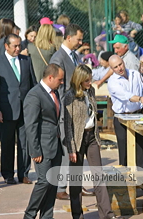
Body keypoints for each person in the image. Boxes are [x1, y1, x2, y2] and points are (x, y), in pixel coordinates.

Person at [64, 64, 126, 219]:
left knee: (98, 176)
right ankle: (77, 215)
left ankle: (106, 214)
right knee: (76, 178)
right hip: (77, 140)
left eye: (90, 80)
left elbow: (93, 117)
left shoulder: (90, 91)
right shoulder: (69, 96)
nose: (89, 83)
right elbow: (67, 126)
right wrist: (71, 148)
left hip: (91, 136)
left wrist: (97, 139)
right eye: (86, 81)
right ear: (78, 80)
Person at [50, 23, 95, 200]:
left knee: (77, 148)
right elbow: (56, 86)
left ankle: (77, 185)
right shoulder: (58, 58)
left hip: (78, 110)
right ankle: (60, 188)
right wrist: (60, 110)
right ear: (68, 38)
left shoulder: (74, 56)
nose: (80, 42)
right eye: (78, 39)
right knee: (67, 148)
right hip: (66, 109)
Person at [22, 63, 65, 219]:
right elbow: (30, 125)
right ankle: (29, 215)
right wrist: (35, 150)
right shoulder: (34, 95)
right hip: (42, 147)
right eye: (60, 80)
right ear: (50, 78)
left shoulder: (54, 93)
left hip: (55, 145)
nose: (62, 82)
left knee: (52, 182)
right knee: (43, 181)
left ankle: (47, 218)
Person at [0, 34, 36, 185]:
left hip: (25, 110)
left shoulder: (26, 61)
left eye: (19, 46)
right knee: (7, 143)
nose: (17, 49)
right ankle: (8, 174)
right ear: (6, 46)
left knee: (25, 143)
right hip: (6, 110)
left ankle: (24, 173)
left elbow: (33, 85)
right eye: (14, 46)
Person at [107, 55, 143, 169]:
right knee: (124, 151)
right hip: (122, 118)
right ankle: (124, 182)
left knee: (140, 149)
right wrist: (140, 99)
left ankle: (141, 180)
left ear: (123, 62)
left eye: (120, 64)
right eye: (115, 67)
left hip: (137, 114)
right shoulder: (112, 82)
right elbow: (127, 95)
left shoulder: (135, 74)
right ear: (112, 69)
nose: (119, 68)